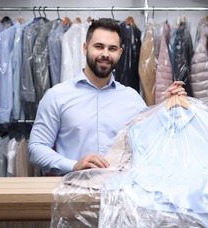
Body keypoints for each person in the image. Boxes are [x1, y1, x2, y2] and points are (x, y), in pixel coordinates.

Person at [28, 18, 186, 176]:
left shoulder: (132, 99)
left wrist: (165, 105)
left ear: (120, 53)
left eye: (112, 48)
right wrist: (74, 165)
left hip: (120, 195)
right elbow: (36, 148)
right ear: (85, 48)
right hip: (73, 194)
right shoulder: (57, 96)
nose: (105, 54)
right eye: (98, 46)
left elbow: (149, 142)